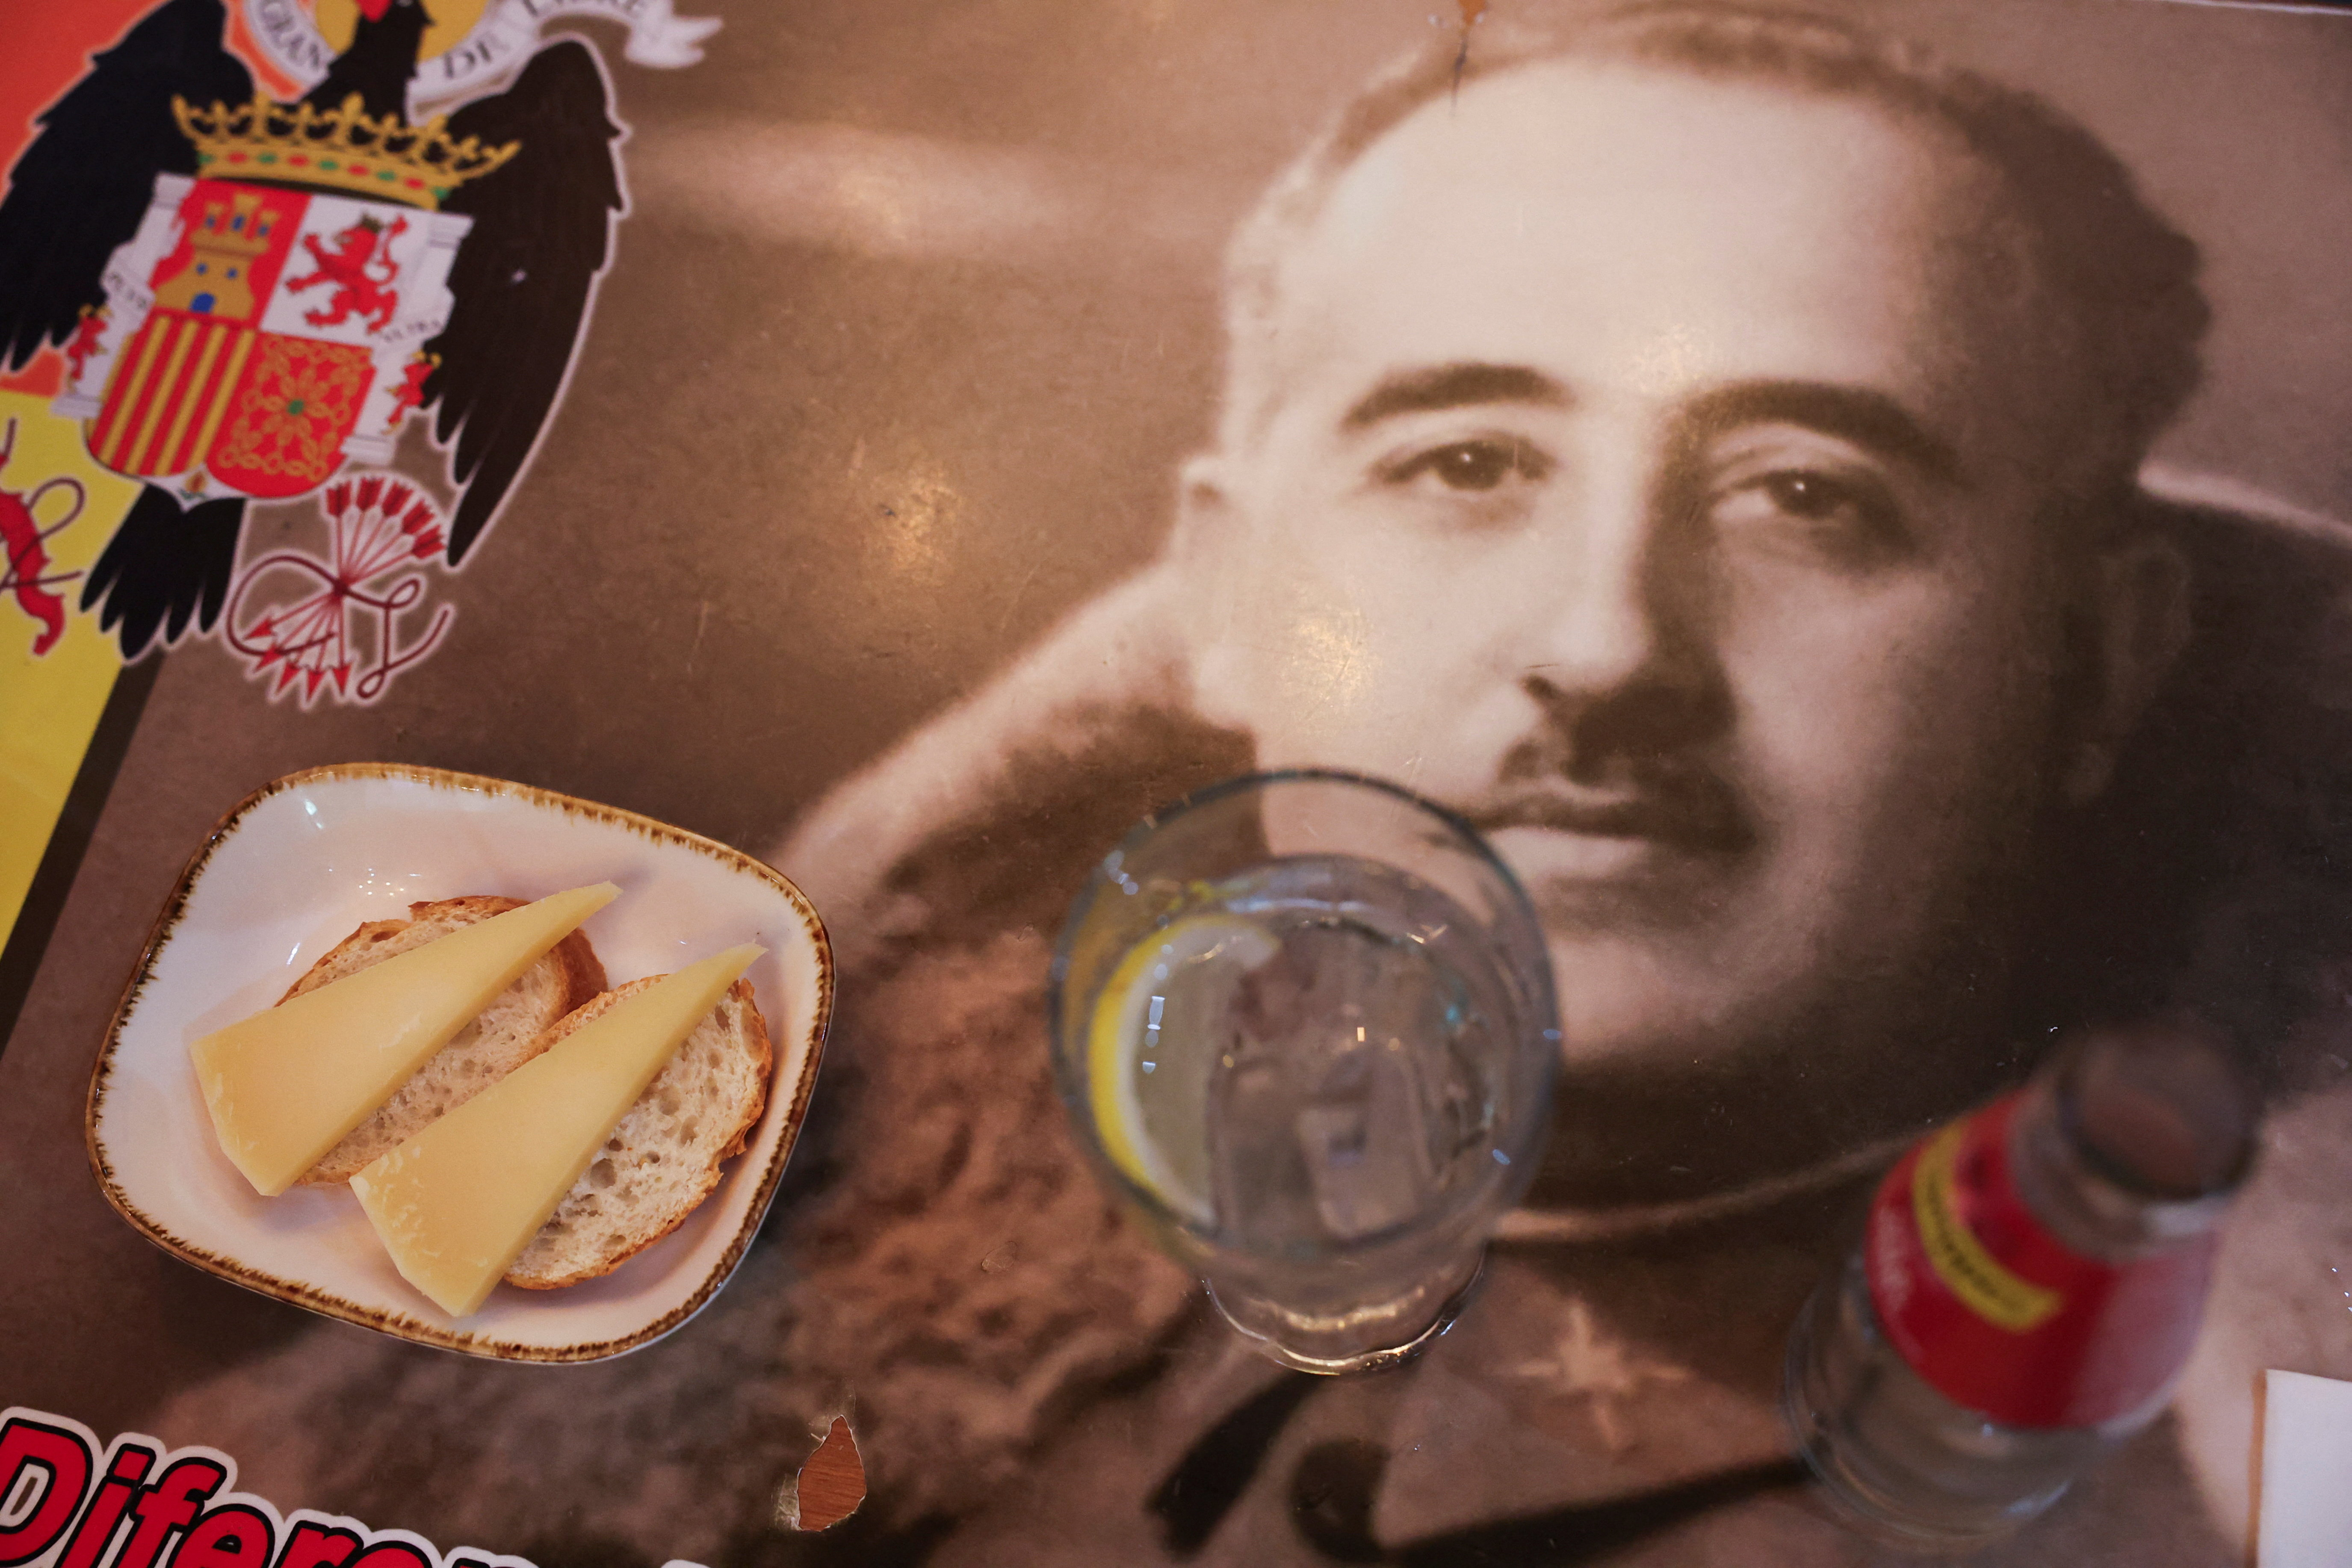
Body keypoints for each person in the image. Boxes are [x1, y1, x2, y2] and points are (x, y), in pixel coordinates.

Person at [151, 6, 2352, 1565]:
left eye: (1812, 493)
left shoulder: (2231, 1488)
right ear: (1212, 592)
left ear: (2101, 658)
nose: (1605, 646)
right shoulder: (689, 1374)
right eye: (1466, 461)